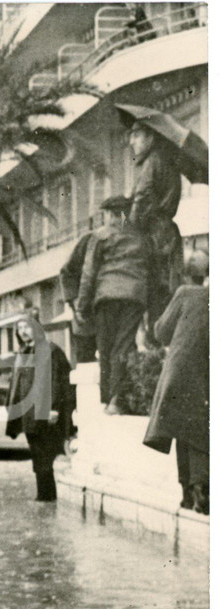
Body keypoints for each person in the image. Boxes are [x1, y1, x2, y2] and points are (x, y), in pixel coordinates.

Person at [143, 250, 209, 514]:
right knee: (199, 430)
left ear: (186, 274)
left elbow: (161, 331)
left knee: (183, 429)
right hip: (205, 374)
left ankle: (188, 494)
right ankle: (201, 492)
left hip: (179, 374)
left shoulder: (183, 293)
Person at [77, 196, 150, 414]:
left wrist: (82, 306)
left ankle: (109, 401)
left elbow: (88, 273)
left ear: (109, 214)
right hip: (134, 297)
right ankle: (117, 400)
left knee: (106, 348)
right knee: (124, 346)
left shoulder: (100, 235)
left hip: (107, 297)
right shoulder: (140, 237)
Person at [5, 308, 74, 502]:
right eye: (19, 328)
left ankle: (48, 497)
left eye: (26, 327)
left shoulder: (50, 350)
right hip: (29, 414)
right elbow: (17, 383)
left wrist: (54, 408)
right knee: (37, 455)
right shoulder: (23, 353)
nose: (22, 331)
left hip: (46, 414)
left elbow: (57, 381)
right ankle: (43, 496)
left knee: (46, 456)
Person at [127, 120, 183, 325]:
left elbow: (142, 199)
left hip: (154, 235)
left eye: (136, 135)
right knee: (168, 295)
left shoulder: (152, 161)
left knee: (155, 300)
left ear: (150, 137)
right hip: (166, 233)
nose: (131, 141)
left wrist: (127, 229)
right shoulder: (168, 160)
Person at [59, 232, 97, 363]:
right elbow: (66, 272)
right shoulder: (90, 240)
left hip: (113, 319)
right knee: (86, 363)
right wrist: (77, 302)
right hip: (86, 320)